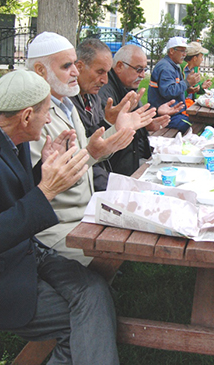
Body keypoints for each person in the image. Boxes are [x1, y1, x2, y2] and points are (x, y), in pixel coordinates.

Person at [0, 70, 121, 365]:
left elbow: (5, 195)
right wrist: (46, 190)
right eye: (47, 113)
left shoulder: (4, 134)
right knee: (82, 321)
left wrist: (43, 166)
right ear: (27, 116)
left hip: (21, 252)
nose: (49, 120)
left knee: (93, 290)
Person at [26, 31, 137, 265]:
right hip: (56, 223)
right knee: (113, 250)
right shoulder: (32, 114)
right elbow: (44, 182)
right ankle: (90, 288)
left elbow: (87, 152)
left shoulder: (66, 103)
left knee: (133, 227)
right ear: (39, 70)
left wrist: (116, 129)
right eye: (67, 66)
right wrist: (95, 151)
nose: (76, 71)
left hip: (83, 211)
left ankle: (94, 288)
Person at [71, 38, 162, 189]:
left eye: (144, 70)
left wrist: (146, 124)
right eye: (100, 72)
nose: (104, 80)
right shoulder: (74, 101)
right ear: (79, 67)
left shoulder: (92, 93)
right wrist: (109, 122)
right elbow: (89, 149)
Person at [98, 44, 183, 178]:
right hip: (116, 172)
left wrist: (151, 121)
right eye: (138, 70)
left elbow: (136, 120)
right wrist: (111, 121)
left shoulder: (127, 86)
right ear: (119, 66)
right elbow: (103, 136)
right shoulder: (105, 92)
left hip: (134, 160)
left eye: (144, 70)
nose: (143, 75)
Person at [148, 36, 201, 133]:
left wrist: (188, 88)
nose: (185, 55)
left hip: (173, 114)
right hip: (164, 117)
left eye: (185, 51)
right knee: (193, 127)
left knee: (199, 122)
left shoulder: (172, 65)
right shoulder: (166, 68)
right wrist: (187, 82)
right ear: (172, 51)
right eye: (182, 51)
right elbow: (168, 91)